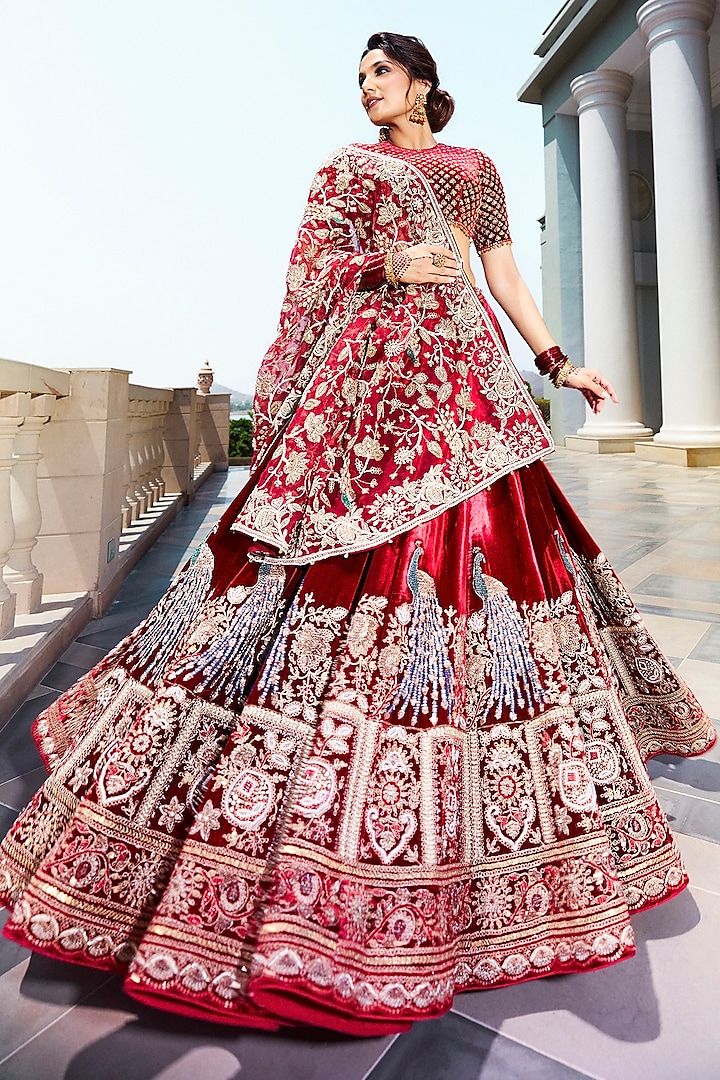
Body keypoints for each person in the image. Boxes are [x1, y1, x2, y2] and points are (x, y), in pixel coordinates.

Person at [0, 31, 714, 1037]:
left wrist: (557, 359)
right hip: (369, 388)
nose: (368, 89)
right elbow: (314, 268)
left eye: (382, 71)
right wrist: (389, 257)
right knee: (328, 569)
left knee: (491, 559)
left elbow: (497, 266)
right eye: (360, 77)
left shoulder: (473, 168)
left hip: (465, 385)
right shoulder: (345, 168)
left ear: (422, 79)